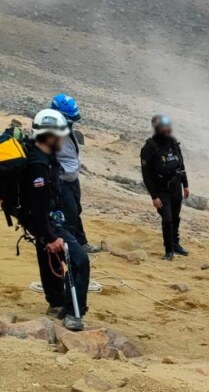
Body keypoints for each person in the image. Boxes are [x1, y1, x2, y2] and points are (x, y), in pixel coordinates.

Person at [20, 109, 90, 331]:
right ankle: (72, 313)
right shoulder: (38, 165)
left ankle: (56, 302)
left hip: (47, 221)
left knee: (48, 256)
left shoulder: (44, 156)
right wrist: (49, 235)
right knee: (80, 261)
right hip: (46, 222)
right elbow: (38, 206)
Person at [51, 94, 100, 253]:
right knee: (69, 213)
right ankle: (73, 247)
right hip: (61, 181)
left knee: (76, 210)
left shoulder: (67, 129)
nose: (71, 124)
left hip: (72, 179)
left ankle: (81, 242)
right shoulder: (48, 132)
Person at [140, 115, 190, 260]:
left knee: (175, 217)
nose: (168, 130)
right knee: (167, 219)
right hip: (161, 190)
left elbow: (181, 165)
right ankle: (169, 250)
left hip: (176, 187)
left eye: (168, 126)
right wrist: (154, 196)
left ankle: (176, 244)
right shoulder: (149, 148)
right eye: (164, 127)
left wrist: (185, 185)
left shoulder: (173, 143)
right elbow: (146, 175)